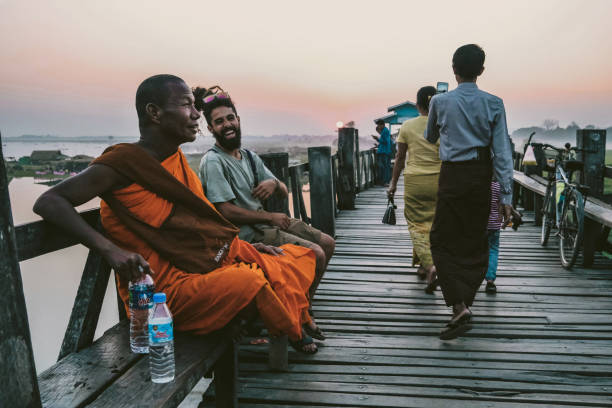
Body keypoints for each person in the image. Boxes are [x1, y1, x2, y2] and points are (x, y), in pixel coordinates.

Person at [33, 75, 319, 353]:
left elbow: (199, 227)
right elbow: (50, 201)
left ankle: (292, 320)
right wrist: (110, 251)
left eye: (195, 106)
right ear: (154, 113)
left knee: (287, 258)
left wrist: (241, 248)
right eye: (186, 105)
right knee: (252, 281)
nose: (196, 115)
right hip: (160, 293)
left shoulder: (175, 160)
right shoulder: (122, 164)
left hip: (198, 265)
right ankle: (292, 331)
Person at [193, 85, 335, 341]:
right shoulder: (213, 161)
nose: (227, 124)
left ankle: (303, 306)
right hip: (247, 234)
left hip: (270, 225)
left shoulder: (247, 156)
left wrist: (274, 184)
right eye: (219, 121)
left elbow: (281, 190)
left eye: (230, 118)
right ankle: (299, 315)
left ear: (238, 120)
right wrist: (270, 217)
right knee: (315, 253)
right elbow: (225, 210)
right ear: (211, 129)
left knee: (327, 242)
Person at [425, 44, 514, 340]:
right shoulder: (495, 103)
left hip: (452, 176)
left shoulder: (439, 102)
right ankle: (463, 301)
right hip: (481, 174)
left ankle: (459, 305)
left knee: (440, 238)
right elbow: (502, 152)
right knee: (476, 240)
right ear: (482, 70)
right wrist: (506, 197)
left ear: (453, 68)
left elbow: (430, 136)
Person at [387, 86, 440, 291]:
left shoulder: (407, 127)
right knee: (433, 224)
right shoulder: (444, 124)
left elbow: (400, 158)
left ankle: (430, 266)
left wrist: (393, 184)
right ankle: (421, 266)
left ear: (418, 105)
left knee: (417, 226)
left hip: (415, 181)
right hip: (440, 180)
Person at [485, 179, 502, 294]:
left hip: (480, 225)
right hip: (494, 224)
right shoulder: (498, 186)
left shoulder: (480, 184)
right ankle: (490, 279)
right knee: (493, 250)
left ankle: (473, 278)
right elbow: (501, 206)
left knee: (476, 251)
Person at [372, 119, 392, 185]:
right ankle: (384, 181)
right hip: (385, 151)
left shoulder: (385, 131)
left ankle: (385, 181)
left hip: (384, 152)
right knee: (385, 166)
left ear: (382, 125)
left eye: (379, 125)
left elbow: (385, 142)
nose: (378, 127)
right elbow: (385, 142)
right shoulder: (385, 131)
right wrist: (378, 144)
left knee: (384, 167)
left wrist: (377, 139)